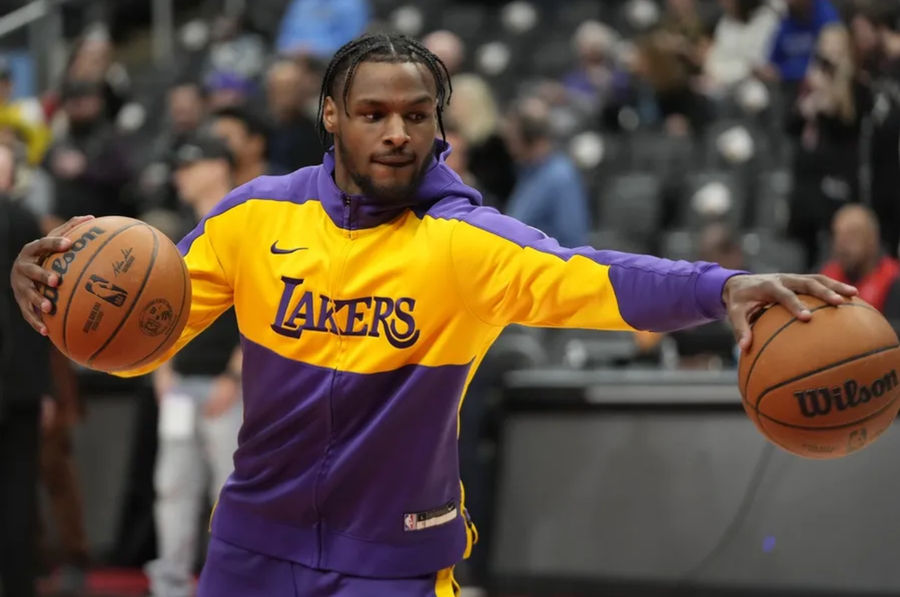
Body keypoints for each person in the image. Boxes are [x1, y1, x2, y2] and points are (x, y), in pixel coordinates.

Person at [10, 34, 856, 597]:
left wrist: (721, 288)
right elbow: (130, 339)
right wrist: (50, 302)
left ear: (439, 126)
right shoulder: (252, 218)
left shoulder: (464, 243)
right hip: (252, 546)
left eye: (417, 116)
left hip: (397, 560)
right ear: (330, 118)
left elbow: (599, 277)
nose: (396, 133)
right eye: (372, 113)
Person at [145, 136, 242, 597]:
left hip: (234, 385)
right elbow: (156, 311)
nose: (180, 175)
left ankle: (237, 584)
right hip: (181, 381)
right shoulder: (182, 227)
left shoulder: (247, 223)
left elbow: (264, 311)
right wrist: (161, 369)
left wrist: (236, 376)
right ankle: (170, 585)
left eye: (189, 165)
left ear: (219, 166)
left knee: (231, 490)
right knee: (172, 486)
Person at [0, 142, 52, 597]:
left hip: (20, 382)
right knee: (18, 494)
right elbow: (46, 314)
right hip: (21, 381)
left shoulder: (24, 223)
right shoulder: (25, 222)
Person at [503, 95, 591, 248]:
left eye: (513, 137)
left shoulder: (560, 176)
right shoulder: (528, 171)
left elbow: (572, 240)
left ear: (529, 138)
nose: (509, 145)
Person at [820, 205, 900, 319]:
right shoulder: (824, 278)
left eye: (852, 234)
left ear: (872, 238)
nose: (841, 243)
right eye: (837, 234)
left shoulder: (894, 280)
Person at [208, 106, 275, 186]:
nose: (217, 145)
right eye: (214, 139)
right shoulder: (211, 185)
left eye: (225, 139)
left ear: (255, 143)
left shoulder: (281, 186)